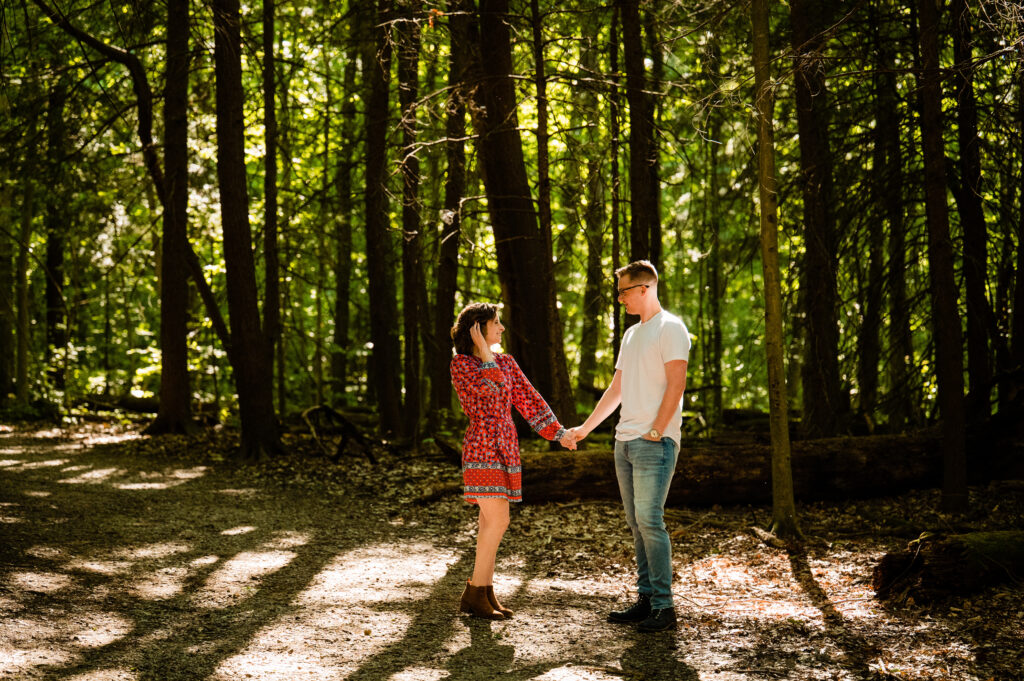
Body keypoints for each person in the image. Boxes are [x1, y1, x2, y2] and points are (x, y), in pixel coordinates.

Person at [569, 260, 690, 632]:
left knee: (650, 521)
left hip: (654, 443)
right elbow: (616, 389)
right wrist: (586, 429)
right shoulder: (632, 335)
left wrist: (656, 429)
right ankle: (646, 599)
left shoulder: (671, 328)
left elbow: (676, 384)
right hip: (624, 441)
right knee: (636, 524)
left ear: (645, 288)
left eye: (623, 291)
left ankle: (665, 608)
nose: (619, 298)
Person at [450, 302, 577, 620]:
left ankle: (481, 592)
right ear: (478, 329)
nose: (502, 328)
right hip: (481, 449)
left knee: (488, 524)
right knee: (499, 520)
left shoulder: (506, 362)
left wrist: (558, 433)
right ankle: (478, 591)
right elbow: (489, 397)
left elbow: (529, 399)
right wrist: (484, 352)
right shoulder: (462, 365)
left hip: (507, 449)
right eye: (496, 323)